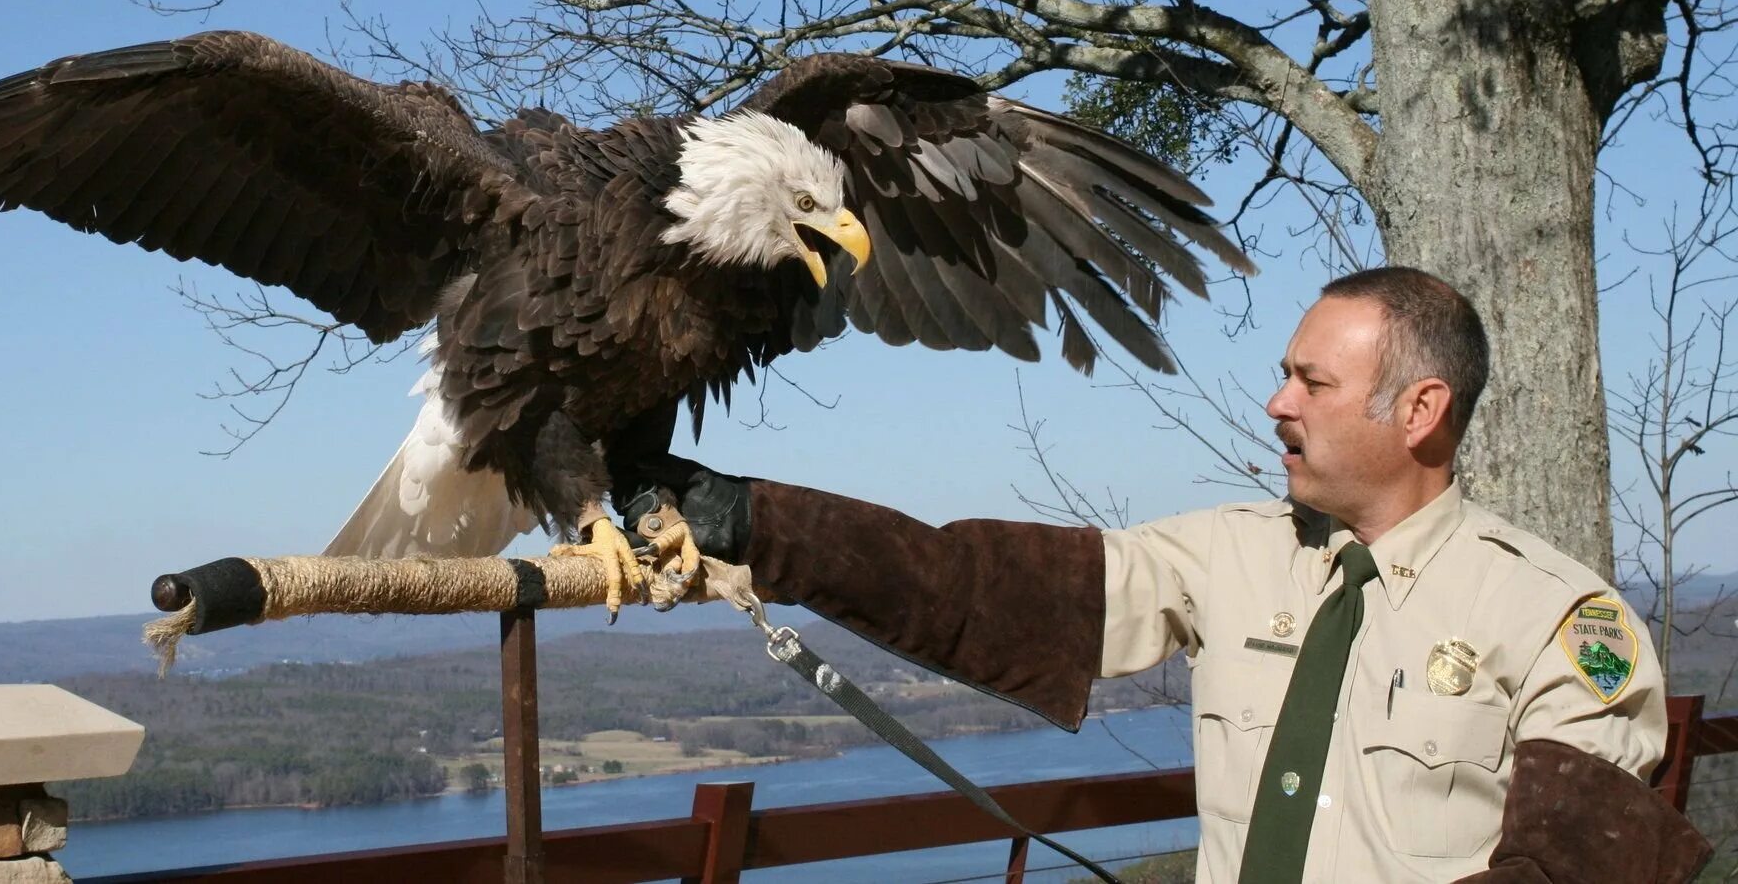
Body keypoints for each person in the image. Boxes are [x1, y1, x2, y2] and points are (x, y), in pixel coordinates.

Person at [620, 266, 1711, 883]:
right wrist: (747, 518)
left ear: (1418, 413)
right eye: (1282, 376)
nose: (1275, 404)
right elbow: (967, 585)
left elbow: (1579, 873)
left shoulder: (1559, 618)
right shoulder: (1227, 555)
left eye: (1309, 383)